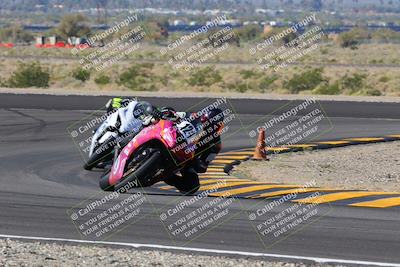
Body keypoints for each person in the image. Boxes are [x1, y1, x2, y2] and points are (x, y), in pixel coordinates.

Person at [161, 108, 224, 195]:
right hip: (171, 139)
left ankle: (164, 176)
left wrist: (200, 164)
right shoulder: (193, 116)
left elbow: (204, 165)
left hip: (185, 159)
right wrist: (169, 113)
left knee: (192, 186)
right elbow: (173, 113)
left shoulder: (215, 146)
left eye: (211, 125)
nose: (206, 126)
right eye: (205, 122)